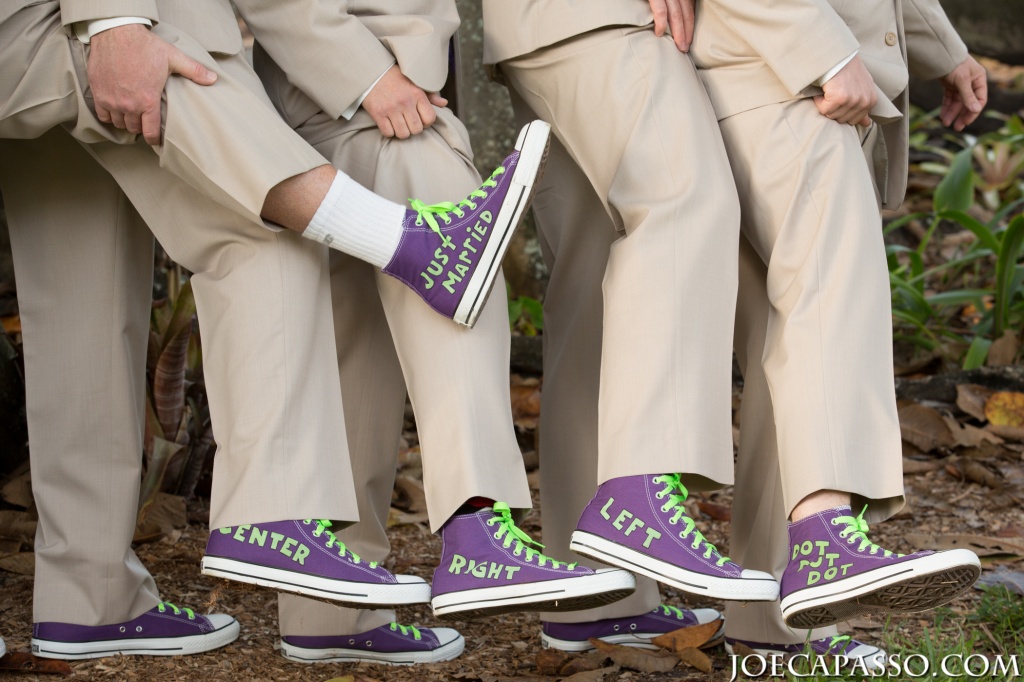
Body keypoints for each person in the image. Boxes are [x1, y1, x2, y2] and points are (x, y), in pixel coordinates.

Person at [0, 0, 547, 659]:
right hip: (135, 30)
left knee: (74, 310)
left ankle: (89, 598)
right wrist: (112, 20)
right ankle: (273, 508)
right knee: (262, 233)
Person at [482, 0, 983, 658]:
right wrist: (821, 44)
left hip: (611, 28)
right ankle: (794, 574)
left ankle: (602, 595)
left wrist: (931, 40)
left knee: (609, 291)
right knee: (799, 288)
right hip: (751, 42)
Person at [232, 0, 635, 664]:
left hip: (346, 87)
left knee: (358, 327)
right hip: (369, 88)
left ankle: (334, 611)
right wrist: (364, 73)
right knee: (458, 267)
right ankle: (477, 529)